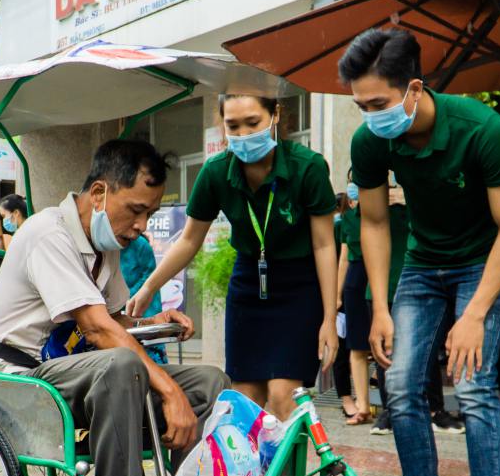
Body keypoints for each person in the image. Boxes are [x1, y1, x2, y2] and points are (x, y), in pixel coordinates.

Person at [0, 139, 228, 476]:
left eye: (149, 213)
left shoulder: (104, 249)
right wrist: (168, 391)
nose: (143, 225)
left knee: (209, 382)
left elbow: (116, 322)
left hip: (71, 379)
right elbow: (97, 329)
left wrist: (154, 323)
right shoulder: (46, 233)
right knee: (122, 364)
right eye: (136, 210)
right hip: (17, 384)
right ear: (99, 194)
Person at [342, 28, 500, 476]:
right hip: (423, 263)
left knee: (472, 384)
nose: (370, 115)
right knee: (398, 384)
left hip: (484, 260)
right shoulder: (371, 140)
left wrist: (473, 316)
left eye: (378, 103)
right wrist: (379, 305)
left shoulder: (481, 129)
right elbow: (374, 220)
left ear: (414, 89)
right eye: (360, 105)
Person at [127, 95, 338, 420]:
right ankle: (251, 473)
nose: (243, 134)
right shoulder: (216, 172)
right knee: (244, 399)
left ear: (275, 115)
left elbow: (325, 245)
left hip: (299, 285)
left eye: (252, 123)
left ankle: (286, 473)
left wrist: (328, 318)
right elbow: (188, 240)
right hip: (248, 282)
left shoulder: (307, 167)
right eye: (233, 126)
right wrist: (148, 287)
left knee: (284, 395)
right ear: (222, 125)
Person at [365, 181, 463, 437]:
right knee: (388, 353)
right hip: (383, 290)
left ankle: (436, 410)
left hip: (420, 286)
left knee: (425, 349)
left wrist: (410, 200)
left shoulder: (417, 203)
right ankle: (390, 410)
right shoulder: (370, 211)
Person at [337, 175, 372, 425]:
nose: (353, 187)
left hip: (379, 276)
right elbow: (344, 258)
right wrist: (337, 295)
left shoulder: (388, 214)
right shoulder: (346, 220)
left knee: (384, 347)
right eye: (351, 181)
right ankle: (363, 406)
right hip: (355, 281)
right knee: (356, 345)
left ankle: (393, 406)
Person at [120, 232, 168, 364]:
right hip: (120, 305)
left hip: (146, 305)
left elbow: (150, 275)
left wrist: (129, 296)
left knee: (150, 346)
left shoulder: (141, 244)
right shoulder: (110, 247)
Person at [332, 192, 357, 420]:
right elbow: (341, 259)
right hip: (342, 294)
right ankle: (346, 398)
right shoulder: (340, 225)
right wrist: (336, 295)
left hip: (362, 291)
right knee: (341, 349)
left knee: (358, 349)